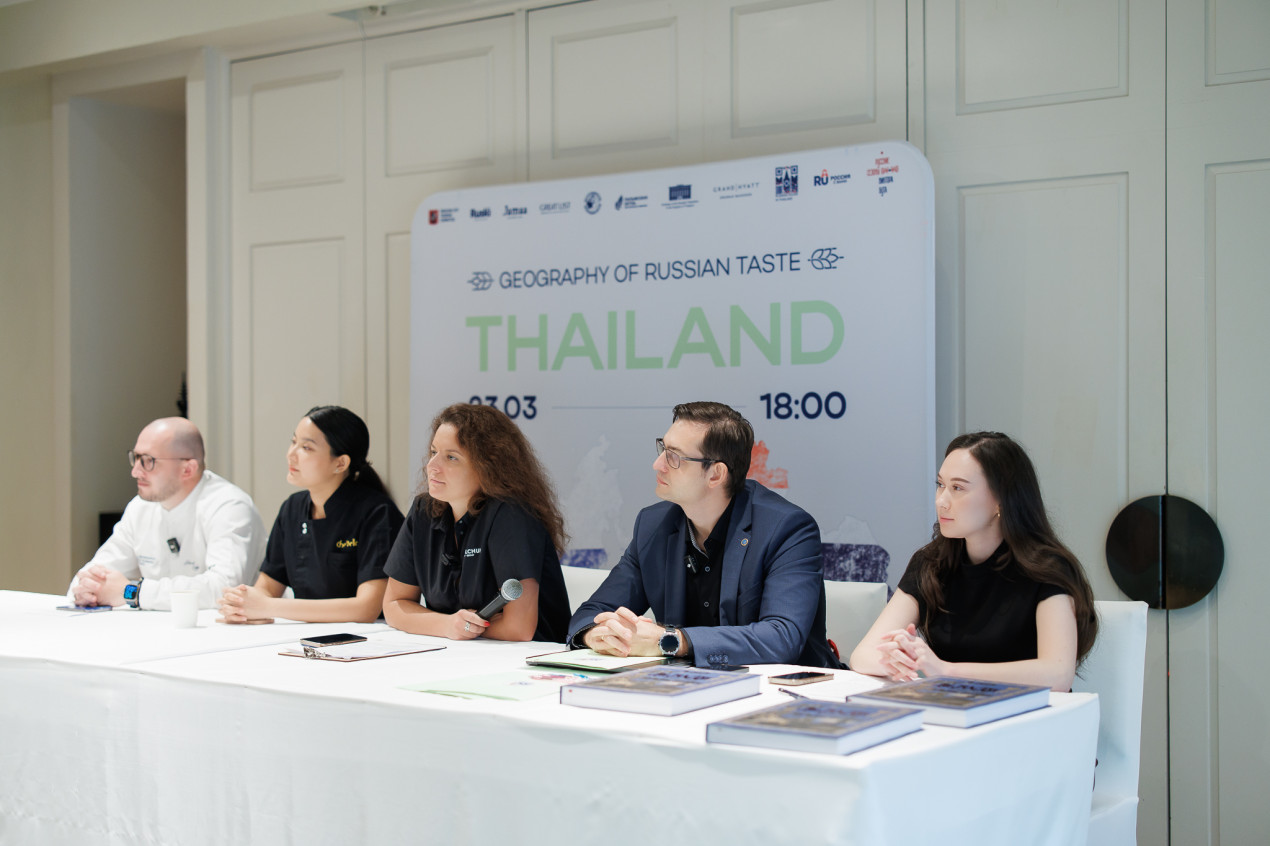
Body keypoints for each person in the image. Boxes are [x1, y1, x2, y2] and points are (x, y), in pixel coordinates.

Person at [567, 401, 839, 669]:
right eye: (663, 448)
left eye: (674, 456)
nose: (657, 464)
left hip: (787, 695)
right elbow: (590, 613)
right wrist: (597, 635)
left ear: (715, 474)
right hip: (690, 691)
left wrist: (672, 641)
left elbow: (781, 638)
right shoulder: (653, 525)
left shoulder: (786, 528)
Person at [849, 431, 1098, 692]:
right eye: (940, 485)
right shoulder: (930, 562)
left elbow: (1058, 675)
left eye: (958, 488)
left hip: (1032, 718)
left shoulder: (1047, 569)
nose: (941, 501)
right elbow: (862, 655)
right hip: (955, 712)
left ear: (1000, 500)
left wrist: (946, 671)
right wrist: (897, 661)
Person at [382, 403, 570, 642]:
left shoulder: (512, 515)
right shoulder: (423, 510)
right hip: (461, 654)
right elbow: (394, 605)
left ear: (489, 467)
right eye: (433, 452)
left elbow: (518, 628)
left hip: (527, 661)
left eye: (451, 457)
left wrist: (455, 627)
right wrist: (446, 624)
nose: (432, 466)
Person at [218, 406, 404, 624]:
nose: (291, 454)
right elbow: (267, 587)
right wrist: (242, 605)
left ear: (340, 463)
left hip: (368, 641)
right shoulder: (292, 508)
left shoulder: (377, 512)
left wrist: (268, 606)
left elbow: (365, 608)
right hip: (306, 637)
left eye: (306, 447)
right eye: (293, 442)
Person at [69, 417, 266, 611]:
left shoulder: (228, 506)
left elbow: (224, 589)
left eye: (148, 461)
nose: (135, 472)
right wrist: (87, 589)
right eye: (135, 458)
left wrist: (132, 592)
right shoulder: (140, 507)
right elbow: (94, 573)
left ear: (188, 469)